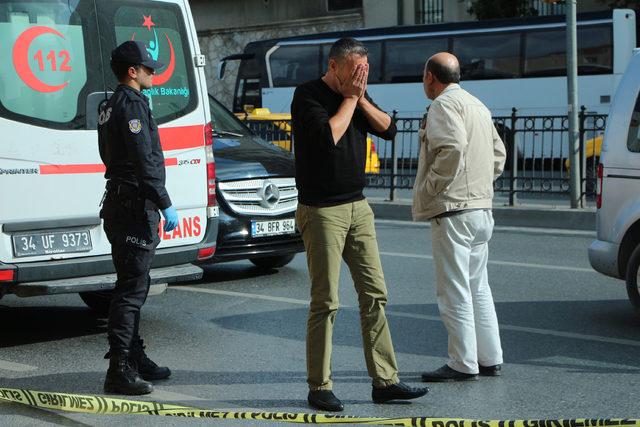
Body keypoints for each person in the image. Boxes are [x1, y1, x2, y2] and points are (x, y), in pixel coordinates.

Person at [291, 37, 428, 412]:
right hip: (322, 211)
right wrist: (351, 98)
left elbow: (389, 128)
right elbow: (328, 137)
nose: (360, 77)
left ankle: (385, 380)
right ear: (334, 66)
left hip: (358, 207)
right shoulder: (307, 95)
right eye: (355, 71)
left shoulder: (359, 95)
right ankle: (319, 386)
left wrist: (361, 96)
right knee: (326, 301)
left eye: (364, 71)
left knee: (375, 295)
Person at [412, 52, 506, 382]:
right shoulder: (477, 104)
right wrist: (478, 183)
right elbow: (499, 155)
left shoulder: (442, 105)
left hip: (453, 210)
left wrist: (434, 186)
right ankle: (490, 358)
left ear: (430, 77)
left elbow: (451, 148)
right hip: (481, 208)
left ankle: (462, 362)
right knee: (478, 286)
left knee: (453, 290)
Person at [98, 40, 179, 395]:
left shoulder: (109, 103)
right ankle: (119, 370)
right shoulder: (131, 104)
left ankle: (133, 355)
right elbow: (143, 158)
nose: (153, 72)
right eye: (148, 68)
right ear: (132, 72)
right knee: (131, 291)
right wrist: (164, 201)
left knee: (132, 284)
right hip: (133, 206)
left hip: (119, 203)